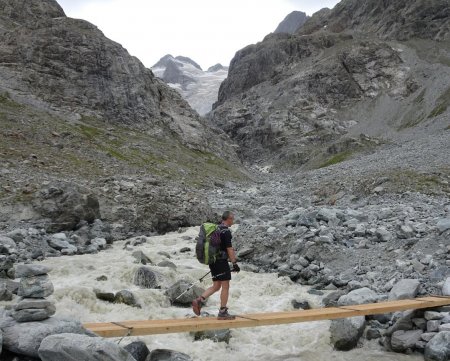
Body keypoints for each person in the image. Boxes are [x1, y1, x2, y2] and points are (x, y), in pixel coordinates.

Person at [192, 211, 240, 320]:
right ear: (229, 219)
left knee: (216, 286)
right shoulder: (226, 232)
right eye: (232, 219)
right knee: (225, 286)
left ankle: (199, 300)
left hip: (213, 261)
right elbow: (229, 249)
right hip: (221, 262)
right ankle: (223, 311)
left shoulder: (216, 229)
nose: (233, 221)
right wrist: (234, 263)